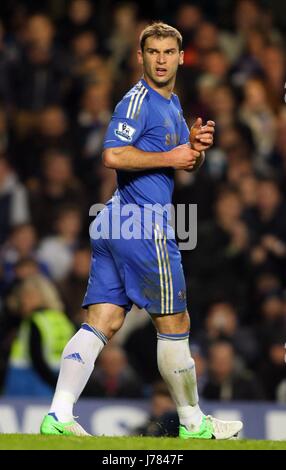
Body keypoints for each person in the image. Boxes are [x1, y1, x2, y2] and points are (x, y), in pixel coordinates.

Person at [40, 22, 243, 439]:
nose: (162, 59)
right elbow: (112, 154)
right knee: (175, 321)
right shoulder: (136, 101)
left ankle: (58, 415)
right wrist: (173, 154)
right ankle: (193, 423)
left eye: (169, 52)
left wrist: (195, 151)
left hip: (116, 220)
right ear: (141, 57)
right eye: (154, 52)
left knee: (104, 320)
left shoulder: (172, 103)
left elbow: (178, 162)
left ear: (182, 57)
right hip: (142, 223)